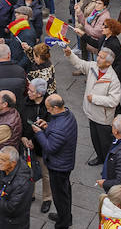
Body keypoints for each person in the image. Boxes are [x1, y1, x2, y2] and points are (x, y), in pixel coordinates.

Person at [33, 93, 77, 228]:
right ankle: (65, 216)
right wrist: (47, 125)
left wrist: (39, 133)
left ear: (56, 107)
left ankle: (62, 223)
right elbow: (56, 129)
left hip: (58, 166)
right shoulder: (68, 114)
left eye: (49, 108)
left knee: (59, 197)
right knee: (65, 193)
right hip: (66, 163)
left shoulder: (60, 128)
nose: (47, 111)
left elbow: (49, 147)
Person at [0, 146, 32, 229]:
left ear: (13, 163)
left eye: (3, 160)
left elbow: (11, 208)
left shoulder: (23, 183)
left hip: (13, 224)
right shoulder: (1, 168)